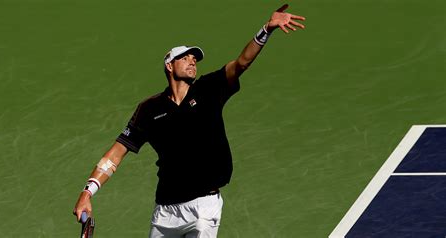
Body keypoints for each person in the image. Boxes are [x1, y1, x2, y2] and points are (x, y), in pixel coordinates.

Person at [73, 3, 305, 237]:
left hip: (203, 208)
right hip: (165, 211)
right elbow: (116, 153)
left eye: (194, 58)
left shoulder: (209, 89)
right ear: (169, 65)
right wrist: (87, 192)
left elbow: (242, 63)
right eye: (185, 57)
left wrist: (266, 29)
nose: (192, 61)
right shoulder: (149, 109)